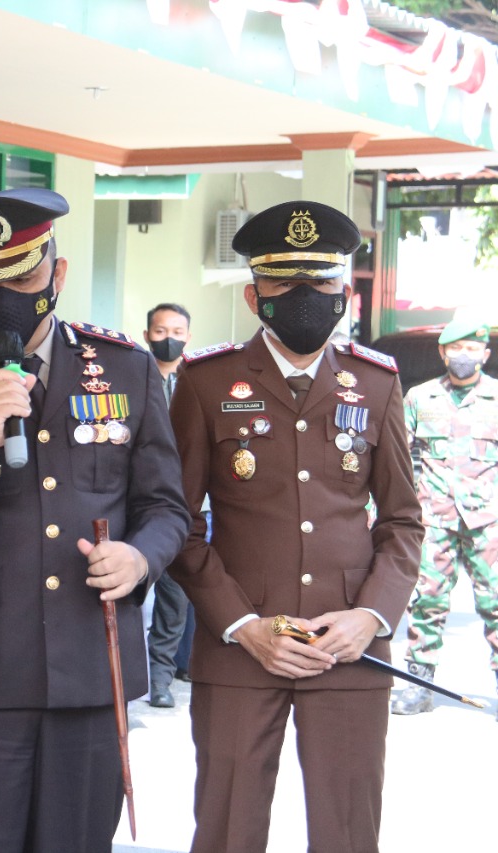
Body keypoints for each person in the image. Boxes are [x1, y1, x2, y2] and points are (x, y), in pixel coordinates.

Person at [0, 188, 189, 853]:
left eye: (21, 275)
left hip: (89, 666)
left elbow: (165, 506)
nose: (4, 295)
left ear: (59, 271)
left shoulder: (128, 369)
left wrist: (139, 559)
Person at [167, 200, 424, 853]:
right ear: (255, 295)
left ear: (345, 291)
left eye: (323, 282)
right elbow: (178, 520)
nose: (308, 297)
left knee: (346, 830)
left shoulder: (377, 383)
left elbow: (401, 521)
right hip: (240, 646)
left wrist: (370, 616)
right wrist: (241, 624)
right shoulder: (205, 381)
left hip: (349, 650)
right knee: (226, 828)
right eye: (285, 284)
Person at [393, 315, 498, 716]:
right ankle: (419, 686)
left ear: (485, 355)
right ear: (442, 353)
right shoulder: (420, 398)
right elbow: (400, 460)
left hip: (488, 524)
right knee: (426, 603)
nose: (463, 356)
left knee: (496, 604)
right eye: (455, 349)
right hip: (433, 520)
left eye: (472, 349)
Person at [142, 302, 195, 707]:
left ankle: (161, 677)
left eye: (177, 331)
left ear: (188, 336)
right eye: (161, 331)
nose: (169, 339)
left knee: (175, 597)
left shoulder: (197, 381)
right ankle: (128, 673)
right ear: (148, 335)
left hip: (184, 504)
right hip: (138, 503)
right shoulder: (132, 376)